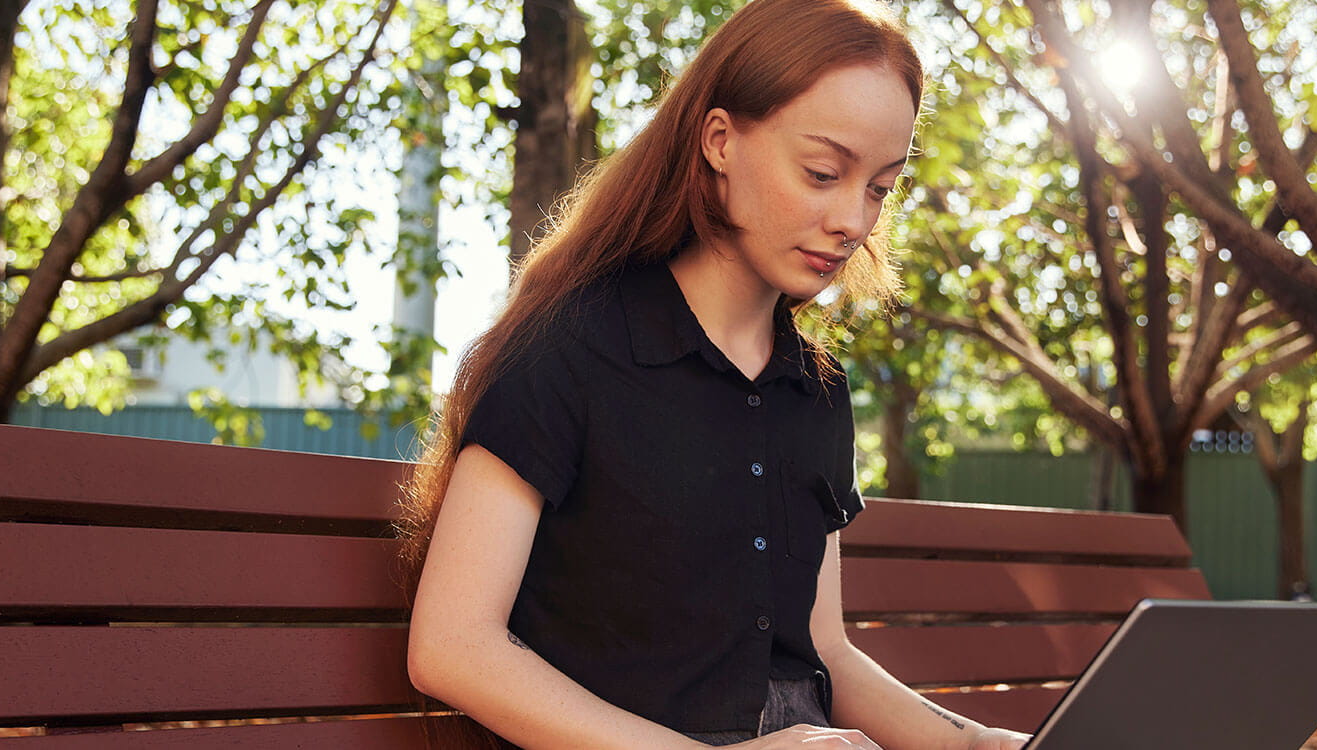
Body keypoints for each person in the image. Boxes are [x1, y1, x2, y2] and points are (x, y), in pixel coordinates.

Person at [402, 0, 1031, 747]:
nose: (854, 222)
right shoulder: (566, 348)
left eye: (879, 188)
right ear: (721, 140)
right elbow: (451, 648)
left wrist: (975, 742)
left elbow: (824, 653)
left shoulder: (816, 388)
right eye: (824, 172)